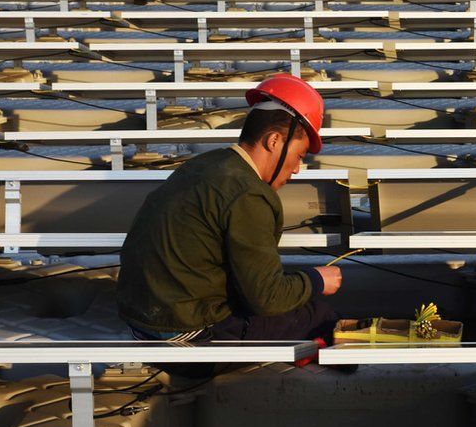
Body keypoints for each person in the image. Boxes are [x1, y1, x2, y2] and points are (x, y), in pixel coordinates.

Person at [117, 74, 342, 347]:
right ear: (274, 141)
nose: (296, 169)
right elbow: (266, 298)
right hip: (181, 332)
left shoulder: (206, 164)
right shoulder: (249, 194)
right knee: (317, 316)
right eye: (299, 156)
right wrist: (316, 280)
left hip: (141, 323)